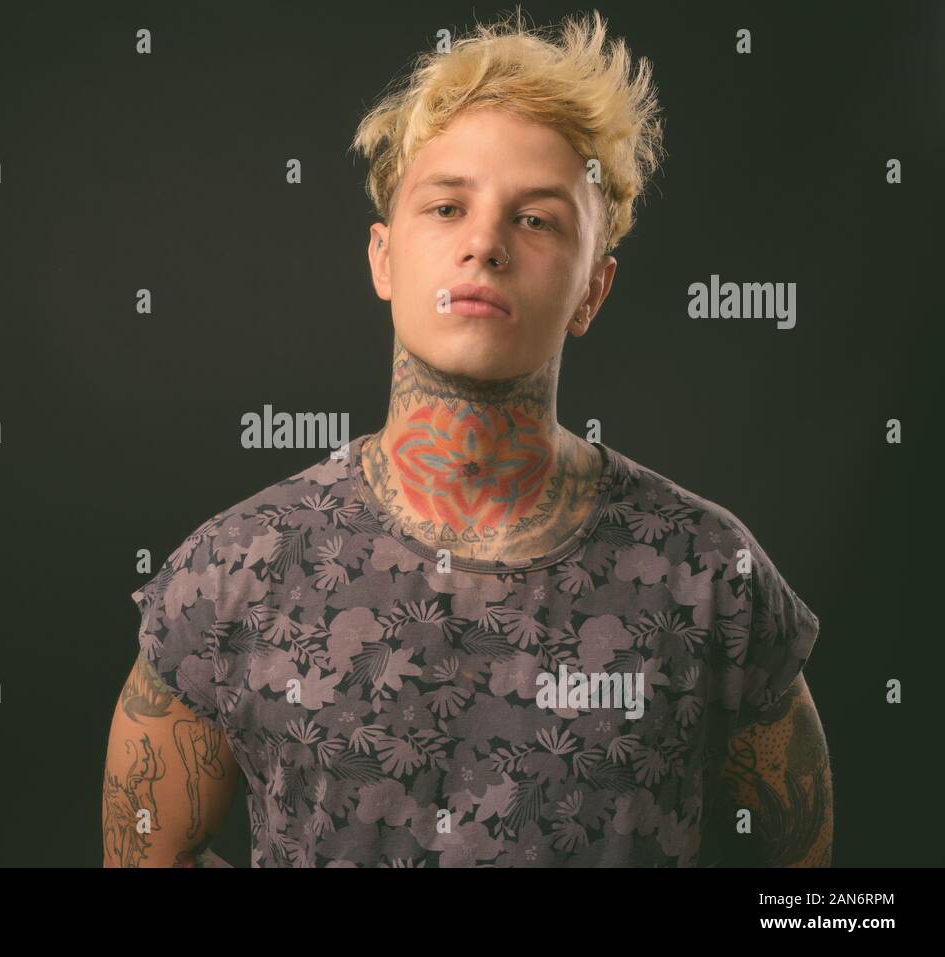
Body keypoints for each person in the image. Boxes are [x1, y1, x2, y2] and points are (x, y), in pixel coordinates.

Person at [102, 8, 831, 868]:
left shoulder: (710, 578)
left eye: (538, 220)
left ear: (594, 290)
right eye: (447, 206)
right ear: (383, 257)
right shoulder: (231, 576)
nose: (484, 243)